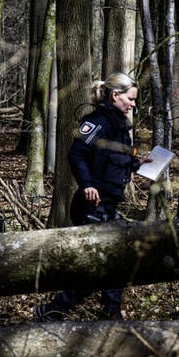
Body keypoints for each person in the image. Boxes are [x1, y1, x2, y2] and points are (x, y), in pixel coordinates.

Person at [34, 72, 144, 322]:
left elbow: (116, 159)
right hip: (92, 205)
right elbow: (77, 154)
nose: (133, 104)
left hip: (109, 203)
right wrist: (87, 185)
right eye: (131, 99)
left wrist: (138, 162)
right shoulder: (97, 122)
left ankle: (106, 313)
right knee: (105, 264)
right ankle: (57, 310)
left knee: (112, 262)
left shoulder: (119, 126)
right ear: (116, 96)